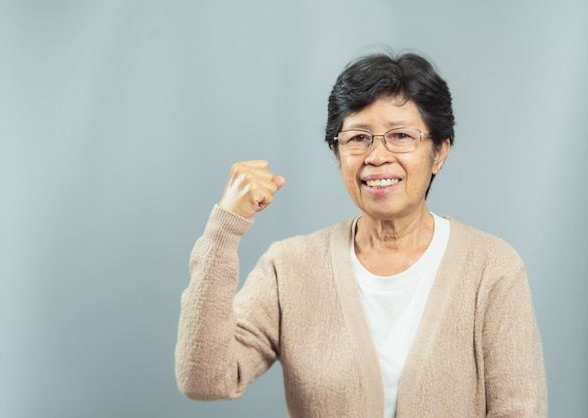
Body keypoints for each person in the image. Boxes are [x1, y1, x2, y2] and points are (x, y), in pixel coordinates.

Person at [175, 51, 547, 417]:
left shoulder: (492, 268)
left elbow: (520, 411)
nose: (377, 156)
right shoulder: (288, 268)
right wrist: (224, 229)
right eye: (358, 138)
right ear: (337, 154)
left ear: (438, 153)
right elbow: (204, 380)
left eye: (400, 135)